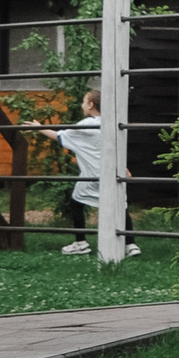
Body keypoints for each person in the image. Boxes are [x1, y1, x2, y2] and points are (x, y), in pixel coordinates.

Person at [53, 88, 135, 256]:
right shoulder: (112, 122)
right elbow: (113, 148)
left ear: (90, 104)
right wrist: (123, 166)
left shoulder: (86, 124)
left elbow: (61, 137)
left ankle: (80, 242)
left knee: (76, 203)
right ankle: (131, 244)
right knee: (121, 205)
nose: (82, 105)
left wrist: (38, 128)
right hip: (112, 172)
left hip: (92, 174)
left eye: (84, 101)